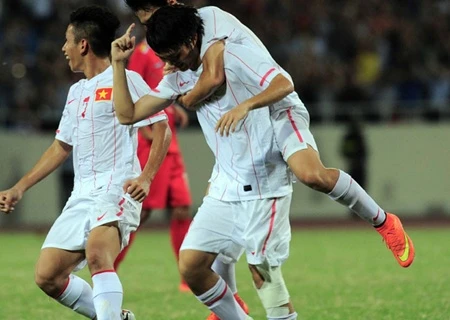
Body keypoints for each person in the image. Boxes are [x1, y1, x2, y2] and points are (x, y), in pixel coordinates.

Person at [124, 0, 415, 269]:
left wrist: (186, 99)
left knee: (311, 175)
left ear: (171, 6)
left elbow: (214, 76)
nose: (150, 28)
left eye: (151, 18)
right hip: (242, 128)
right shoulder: (179, 53)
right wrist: (118, 66)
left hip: (273, 105)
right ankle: (228, 306)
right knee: (218, 205)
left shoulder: (209, 21)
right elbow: (131, 113)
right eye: (146, 24)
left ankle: (384, 221)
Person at [111, 8, 299, 320]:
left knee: (262, 273)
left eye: (175, 55)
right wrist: (119, 65)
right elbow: (127, 114)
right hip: (228, 183)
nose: (171, 64)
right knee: (192, 264)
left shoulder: (233, 53)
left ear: (192, 38)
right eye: (165, 58)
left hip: (265, 178)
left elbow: (283, 83)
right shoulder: (178, 77)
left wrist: (246, 106)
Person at [0, 5, 171, 320]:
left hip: (116, 186)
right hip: (81, 193)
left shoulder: (125, 78)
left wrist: (146, 177)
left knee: (97, 255)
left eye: (67, 41)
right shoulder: (76, 92)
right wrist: (20, 187)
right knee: (47, 275)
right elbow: (60, 147)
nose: (64, 49)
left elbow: (162, 128)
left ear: (83, 44)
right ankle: (117, 317)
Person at [113, 38, 193, 293]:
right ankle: (107, 269)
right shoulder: (143, 53)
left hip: (171, 143)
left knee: (182, 208)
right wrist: (145, 129)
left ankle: (187, 277)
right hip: (152, 141)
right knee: (141, 212)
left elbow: (161, 91)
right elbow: (131, 91)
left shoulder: (166, 50)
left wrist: (174, 109)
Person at [340, 119, 368, 219]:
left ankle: (356, 212)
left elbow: (343, 151)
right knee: (359, 190)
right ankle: (357, 212)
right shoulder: (357, 137)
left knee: (354, 191)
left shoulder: (350, 138)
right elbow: (364, 152)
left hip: (355, 167)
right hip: (357, 167)